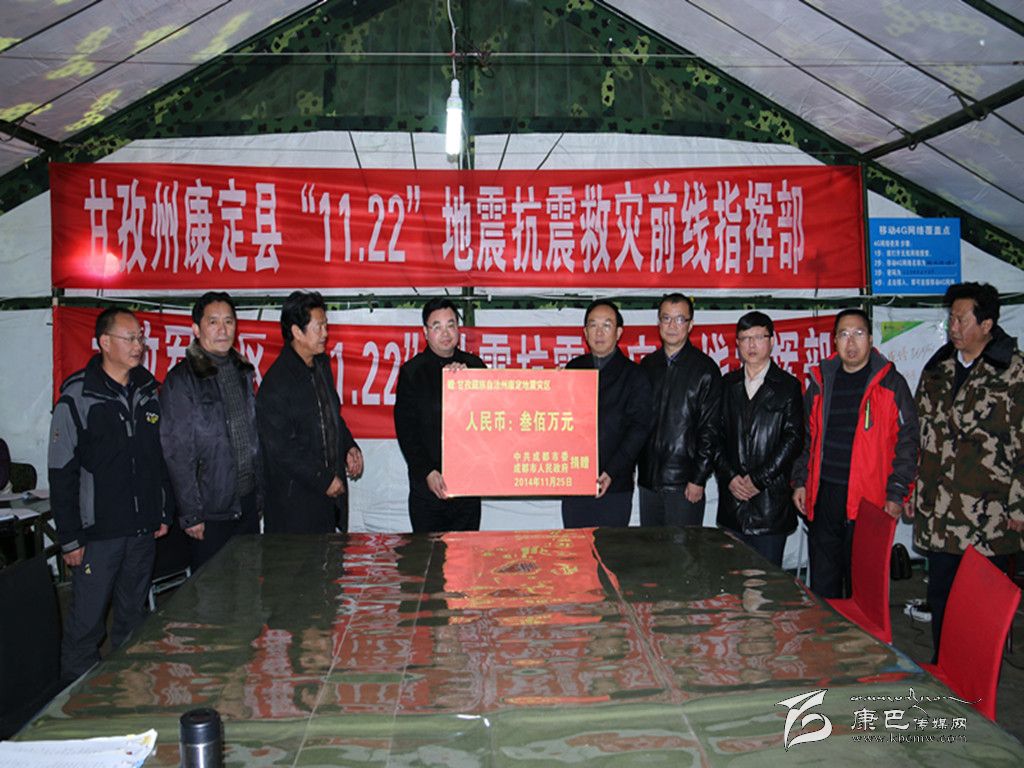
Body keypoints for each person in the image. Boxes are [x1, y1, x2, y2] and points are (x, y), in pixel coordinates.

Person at [48, 307, 171, 682]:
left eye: (140, 338)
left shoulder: (149, 391)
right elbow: (61, 472)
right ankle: (74, 701)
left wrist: (162, 511)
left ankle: (128, 691)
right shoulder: (78, 396)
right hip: (98, 534)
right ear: (104, 342)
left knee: (133, 619)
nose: (138, 345)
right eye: (129, 338)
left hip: (141, 529)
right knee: (86, 624)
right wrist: (70, 537)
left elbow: (159, 458)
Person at [910, 282, 1024, 661]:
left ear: (987, 324)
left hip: (989, 515)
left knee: (980, 603)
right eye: (951, 318)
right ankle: (945, 667)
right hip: (940, 511)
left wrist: (1019, 505)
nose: (953, 326)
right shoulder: (938, 368)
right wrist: (913, 489)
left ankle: (977, 675)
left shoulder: (1013, 372)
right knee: (941, 595)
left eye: (961, 319)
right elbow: (918, 435)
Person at [792, 308, 918, 599]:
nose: (851, 342)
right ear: (834, 341)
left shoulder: (890, 384)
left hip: (870, 501)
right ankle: (827, 630)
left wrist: (897, 493)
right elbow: (806, 438)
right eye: (844, 335)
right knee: (824, 585)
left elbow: (909, 442)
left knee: (864, 589)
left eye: (858, 334)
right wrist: (800, 481)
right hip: (824, 497)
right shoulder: (821, 383)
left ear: (871, 339)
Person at [160, 291, 261, 569]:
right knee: (213, 588)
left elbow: (252, 435)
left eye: (229, 321)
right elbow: (177, 451)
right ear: (196, 328)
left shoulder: (243, 371)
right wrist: (191, 514)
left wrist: (259, 494)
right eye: (213, 322)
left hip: (246, 502)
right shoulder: (182, 380)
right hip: (209, 510)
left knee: (249, 584)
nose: (223, 330)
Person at [256, 291, 362, 533]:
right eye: (319, 327)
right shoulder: (276, 383)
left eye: (326, 325)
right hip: (294, 505)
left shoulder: (321, 365)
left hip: (327, 498)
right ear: (296, 332)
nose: (325, 334)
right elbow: (282, 448)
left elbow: (332, 415)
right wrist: (322, 479)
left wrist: (348, 446)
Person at [715, 312, 804, 566]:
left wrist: (758, 479)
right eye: (745, 338)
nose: (751, 345)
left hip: (769, 506)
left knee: (766, 582)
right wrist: (730, 476)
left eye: (758, 337)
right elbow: (714, 436)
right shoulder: (727, 384)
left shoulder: (788, 386)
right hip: (733, 504)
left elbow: (793, 439)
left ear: (772, 341)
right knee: (732, 579)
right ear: (737, 344)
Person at [394, 297, 486, 532]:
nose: (445, 333)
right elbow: (407, 431)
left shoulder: (474, 366)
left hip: (467, 488)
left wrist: (470, 382)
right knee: (429, 553)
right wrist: (427, 471)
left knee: (466, 551)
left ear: (458, 328)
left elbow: (490, 416)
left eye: (451, 325)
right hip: (429, 488)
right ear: (425, 332)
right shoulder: (413, 372)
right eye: (437, 326)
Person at [561, 299, 653, 528]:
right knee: (575, 547)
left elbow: (639, 430)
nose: (599, 332)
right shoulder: (573, 369)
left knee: (610, 547)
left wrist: (612, 471)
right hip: (575, 481)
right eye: (593, 325)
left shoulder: (634, 375)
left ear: (619, 332)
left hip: (615, 484)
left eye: (606, 325)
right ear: (585, 332)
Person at [637, 293, 722, 527]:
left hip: (684, 484)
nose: (672, 326)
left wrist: (698, 478)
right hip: (649, 481)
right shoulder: (647, 365)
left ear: (690, 325)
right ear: (658, 323)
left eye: (679, 319)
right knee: (649, 549)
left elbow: (710, 430)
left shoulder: (705, 370)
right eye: (666, 318)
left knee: (682, 549)